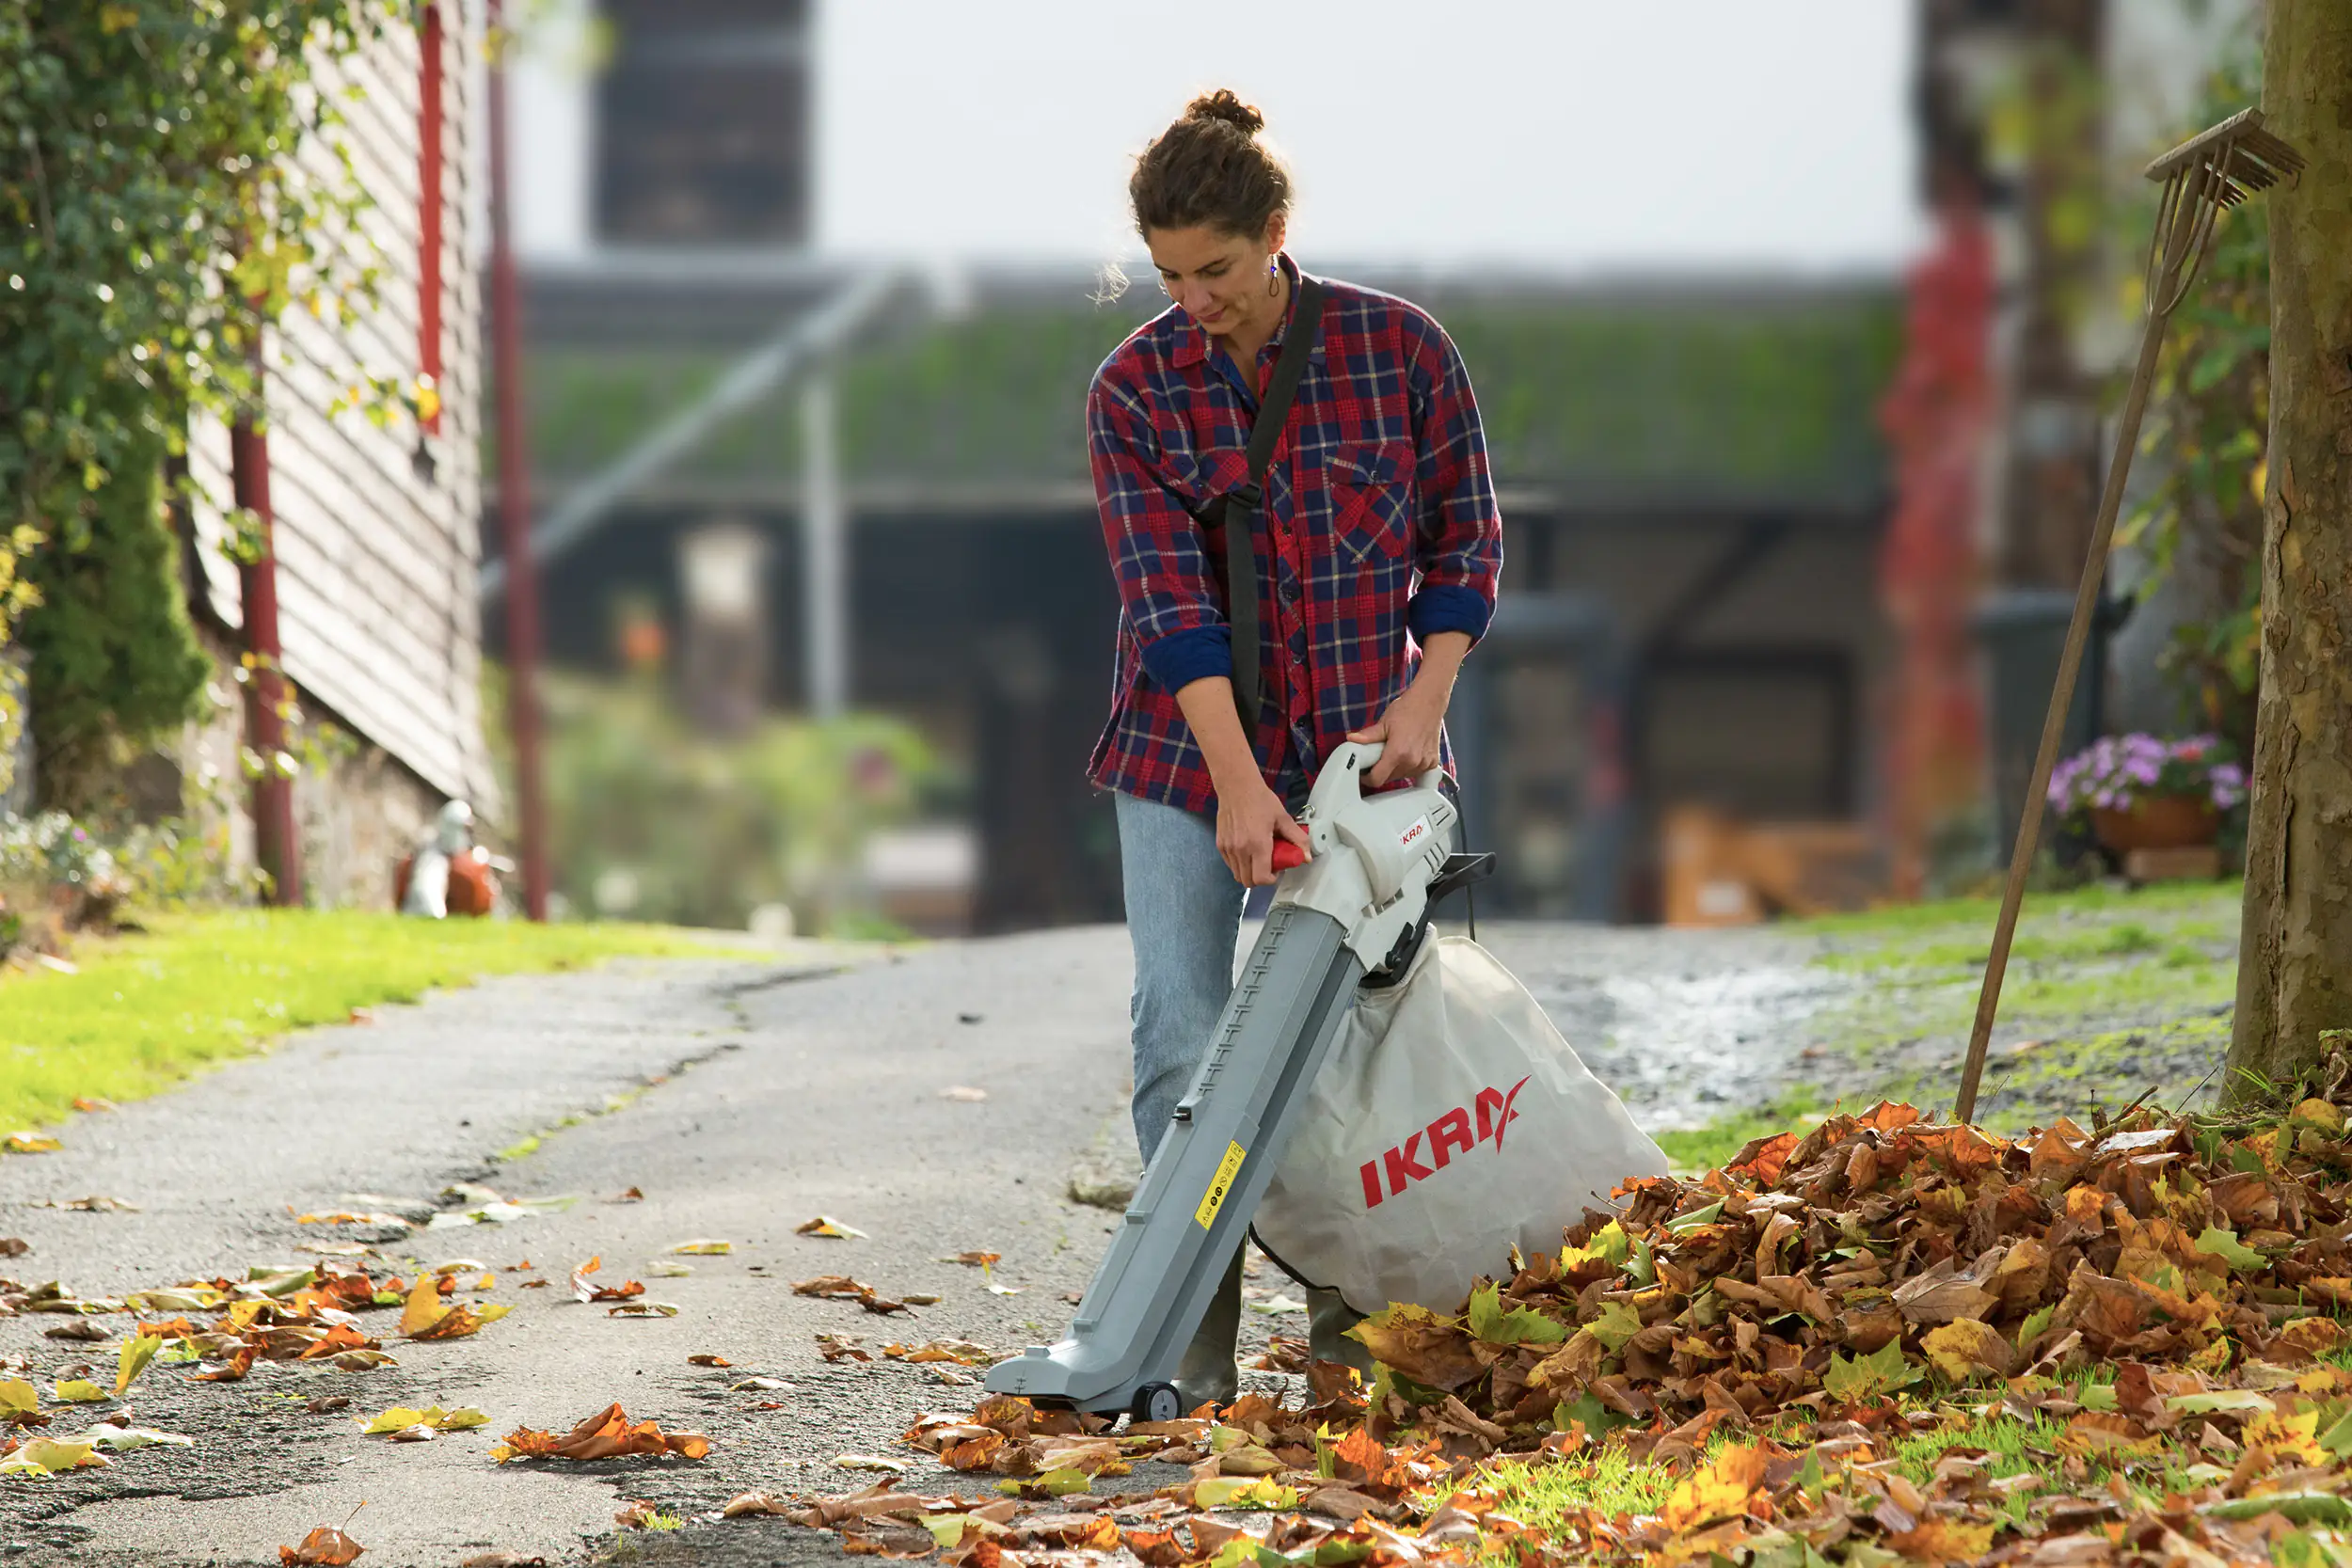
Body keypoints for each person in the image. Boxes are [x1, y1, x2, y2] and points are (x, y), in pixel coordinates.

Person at [1085, 88, 1503, 1407]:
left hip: (1369, 755)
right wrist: (1236, 785)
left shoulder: (1401, 350)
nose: (1192, 298)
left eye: (1215, 269)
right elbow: (1170, 609)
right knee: (1182, 1030)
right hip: (1181, 752)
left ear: (1275, 232)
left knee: (1362, 1045)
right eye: (1167, 276)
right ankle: (1183, 1337)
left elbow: (1466, 545)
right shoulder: (1134, 392)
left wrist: (1427, 702)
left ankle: (1351, 1334)